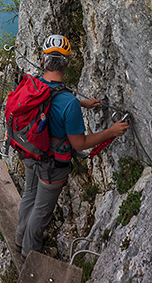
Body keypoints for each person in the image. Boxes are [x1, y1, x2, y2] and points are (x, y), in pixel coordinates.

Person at [15, 34, 130, 260]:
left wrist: (81, 103)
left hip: (30, 154)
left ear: (43, 59)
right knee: (41, 209)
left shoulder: (34, 85)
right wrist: (111, 131)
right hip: (52, 166)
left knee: (29, 197)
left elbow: (48, 103)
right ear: (67, 63)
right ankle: (30, 251)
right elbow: (80, 143)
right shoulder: (67, 102)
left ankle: (20, 239)